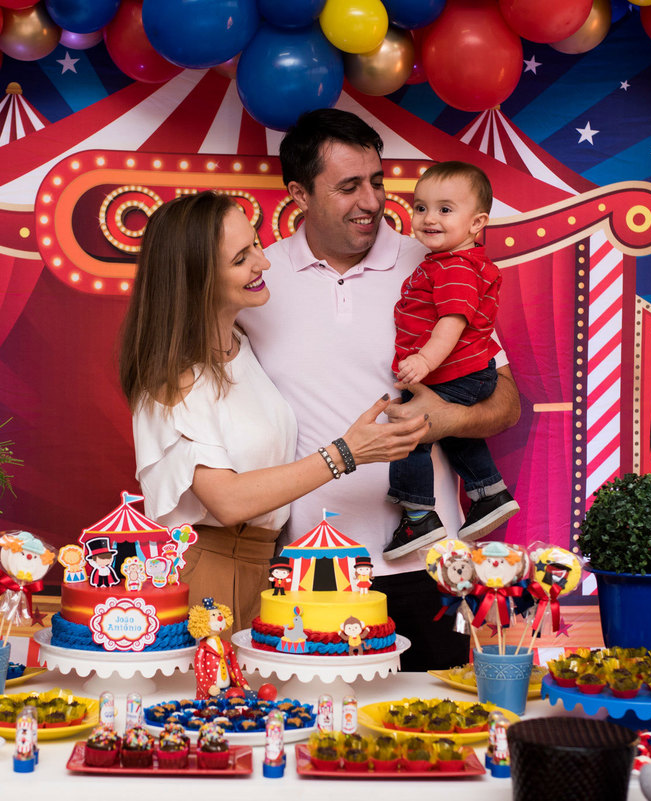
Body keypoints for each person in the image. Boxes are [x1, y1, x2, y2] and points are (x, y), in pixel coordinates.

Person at [238, 109, 521, 671]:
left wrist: (449, 421)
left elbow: (506, 399)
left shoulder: (438, 261)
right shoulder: (259, 280)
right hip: (303, 568)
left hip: (430, 563)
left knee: (433, 733)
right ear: (299, 193)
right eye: (347, 187)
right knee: (307, 736)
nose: (371, 201)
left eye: (376, 181)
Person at [118, 191, 428, 632]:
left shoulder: (240, 348)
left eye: (257, 245)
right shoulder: (175, 376)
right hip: (205, 571)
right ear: (196, 278)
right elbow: (227, 501)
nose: (263, 264)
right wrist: (346, 453)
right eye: (241, 257)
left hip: (263, 567)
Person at [384, 161, 520, 560]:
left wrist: (424, 362)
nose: (429, 218)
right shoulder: (449, 262)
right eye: (421, 207)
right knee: (457, 432)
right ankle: (490, 493)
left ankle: (418, 515)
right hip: (469, 372)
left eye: (445, 210)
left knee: (410, 434)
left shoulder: (456, 268)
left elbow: (452, 321)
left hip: (454, 370)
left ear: (477, 223)